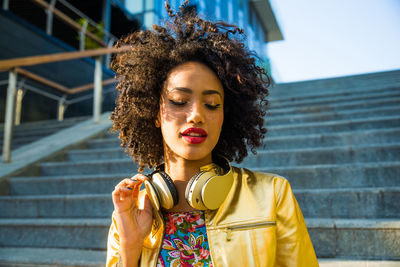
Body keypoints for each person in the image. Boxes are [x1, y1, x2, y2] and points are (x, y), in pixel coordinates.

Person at [106, 1, 318, 266]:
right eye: (179, 101)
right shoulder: (130, 208)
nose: (196, 114)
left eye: (212, 104)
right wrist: (130, 246)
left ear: (224, 116)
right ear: (154, 113)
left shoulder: (272, 195)